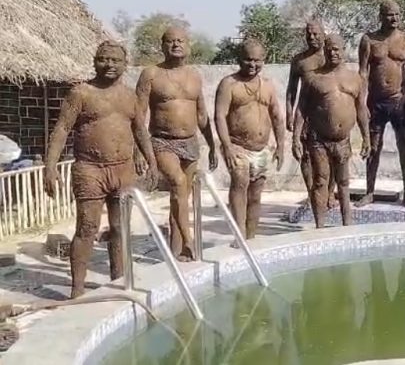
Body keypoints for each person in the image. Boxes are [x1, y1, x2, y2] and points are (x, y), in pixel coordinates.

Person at [44, 40, 158, 298]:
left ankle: (119, 279)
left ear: (125, 64)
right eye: (103, 59)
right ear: (95, 61)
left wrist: (151, 161)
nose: (109, 64)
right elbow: (61, 129)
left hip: (122, 169)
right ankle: (77, 289)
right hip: (90, 169)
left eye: (115, 60)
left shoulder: (130, 96)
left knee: (120, 227)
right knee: (87, 227)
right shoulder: (81, 93)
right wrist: (50, 167)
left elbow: (140, 131)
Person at [135, 26, 218, 262]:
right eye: (170, 41)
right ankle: (190, 241)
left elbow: (201, 115)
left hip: (190, 142)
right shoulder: (151, 74)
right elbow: (138, 115)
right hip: (162, 142)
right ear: (162, 46)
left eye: (180, 40)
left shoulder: (194, 76)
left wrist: (212, 144)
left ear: (188, 45)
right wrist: (138, 150)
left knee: (180, 197)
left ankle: (177, 252)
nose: (176, 44)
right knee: (178, 183)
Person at [292, 34, 370, 227]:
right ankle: (320, 225)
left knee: (344, 182)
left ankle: (347, 223)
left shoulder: (356, 79)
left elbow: (361, 109)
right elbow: (301, 109)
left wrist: (366, 137)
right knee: (320, 180)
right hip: (319, 139)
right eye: (328, 49)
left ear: (343, 50)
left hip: (343, 140)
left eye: (336, 49)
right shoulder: (313, 78)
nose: (332, 53)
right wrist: (295, 138)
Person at [214, 38, 284, 241]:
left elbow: (277, 116)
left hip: (261, 149)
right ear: (239, 59)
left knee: (255, 193)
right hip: (238, 146)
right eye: (248, 59)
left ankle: (250, 238)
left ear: (264, 60)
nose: (252, 64)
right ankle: (239, 237)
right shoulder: (229, 84)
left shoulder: (268, 85)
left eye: (257, 60)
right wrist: (227, 146)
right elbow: (220, 116)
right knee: (240, 183)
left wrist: (281, 145)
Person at [356, 0, 405, 208]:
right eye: (389, 14)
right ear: (381, 16)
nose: (393, 18)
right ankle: (369, 192)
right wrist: (361, 102)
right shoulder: (369, 40)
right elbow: (363, 73)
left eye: (396, 14)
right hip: (376, 102)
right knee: (373, 148)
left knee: (404, 147)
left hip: (399, 102)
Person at [284, 20, 337, 218]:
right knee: (305, 156)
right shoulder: (299, 61)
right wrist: (289, 113)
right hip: (305, 114)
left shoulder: (330, 57)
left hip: (327, 113)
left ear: (324, 34)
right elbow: (291, 90)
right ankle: (311, 193)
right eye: (309, 34)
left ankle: (329, 192)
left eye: (316, 34)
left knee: (331, 156)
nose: (312, 38)